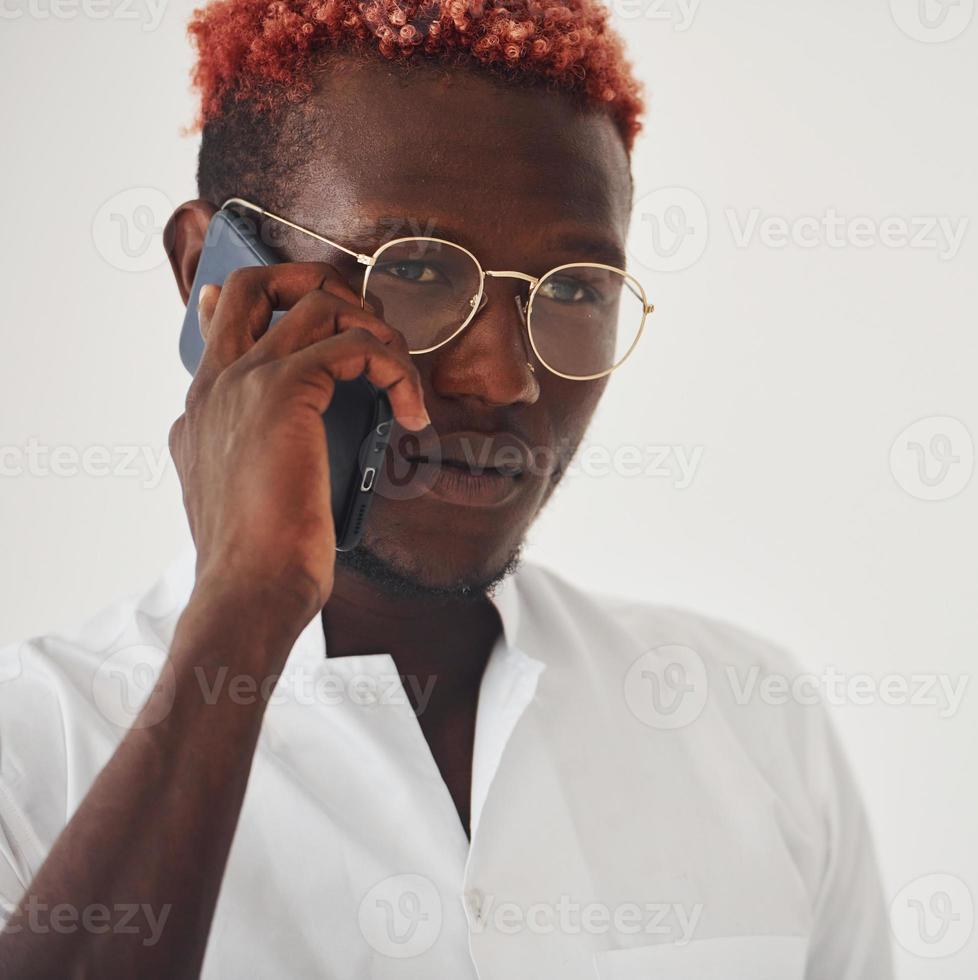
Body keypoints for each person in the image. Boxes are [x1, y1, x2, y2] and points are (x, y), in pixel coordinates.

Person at [0, 0, 891, 976]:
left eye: (574, 288)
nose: (504, 378)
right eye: (414, 270)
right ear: (211, 279)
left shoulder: (751, 725)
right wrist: (245, 606)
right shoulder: (32, 750)